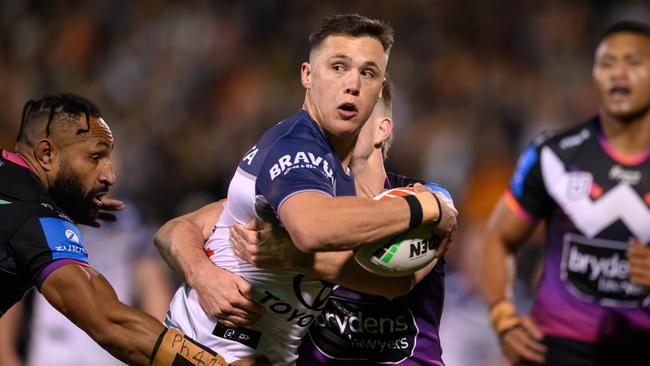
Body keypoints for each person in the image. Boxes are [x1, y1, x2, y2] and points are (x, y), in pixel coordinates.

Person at [160, 14, 456, 365]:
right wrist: (202, 274)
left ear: (383, 129)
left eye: (367, 74)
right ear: (308, 76)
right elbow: (177, 229)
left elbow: (399, 283)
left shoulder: (419, 193)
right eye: (338, 69)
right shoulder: (298, 164)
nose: (352, 88)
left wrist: (294, 257)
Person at [0, 93, 237, 366]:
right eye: (94, 156)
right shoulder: (37, 221)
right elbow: (111, 323)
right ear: (46, 153)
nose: (109, 175)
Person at [480, 20, 650, 366]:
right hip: (560, 348)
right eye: (606, 63)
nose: (618, 73)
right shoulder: (554, 155)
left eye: (633, 62)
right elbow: (498, 238)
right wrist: (504, 319)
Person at [0, 203, 174, 366]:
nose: (107, 174)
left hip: (108, 355)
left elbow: (154, 292)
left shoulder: (133, 220)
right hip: (52, 351)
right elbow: (11, 287)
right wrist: (6, 355)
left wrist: (166, 355)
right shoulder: (38, 213)